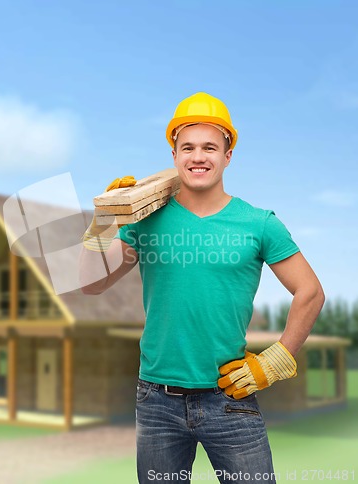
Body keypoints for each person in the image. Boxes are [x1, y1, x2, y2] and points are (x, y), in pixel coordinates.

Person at [79, 92, 325, 484]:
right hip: (156, 401)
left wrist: (275, 359)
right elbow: (91, 284)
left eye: (210, 147)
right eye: (188, 147)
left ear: (228, 155)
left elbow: (310, 291)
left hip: (230, 398)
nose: (198, 156)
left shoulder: (259, 224)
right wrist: (102, 222)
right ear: (174, 155)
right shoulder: (146, 221)